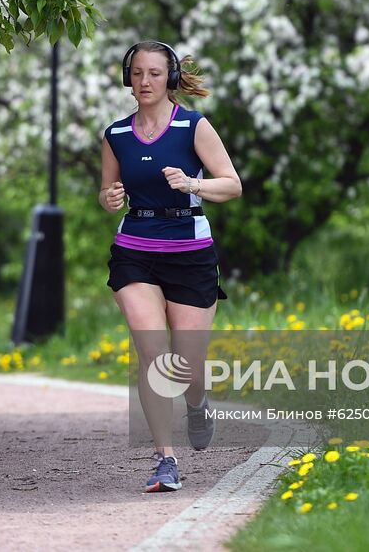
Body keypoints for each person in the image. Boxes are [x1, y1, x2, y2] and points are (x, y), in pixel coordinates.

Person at [99, 41, 242, 492]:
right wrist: (109, 199)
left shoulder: (194, 127)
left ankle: (197, 404)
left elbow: (233, 185)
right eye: (137, 73)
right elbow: (107, 194)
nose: (145, 81)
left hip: (189, 252)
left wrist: (192, 183)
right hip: (135, 249)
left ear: (171, 78)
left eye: (155, 73)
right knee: (151, 355)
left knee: (186, 367)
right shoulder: (115, 135)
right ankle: (165, 459)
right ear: (128, 78)